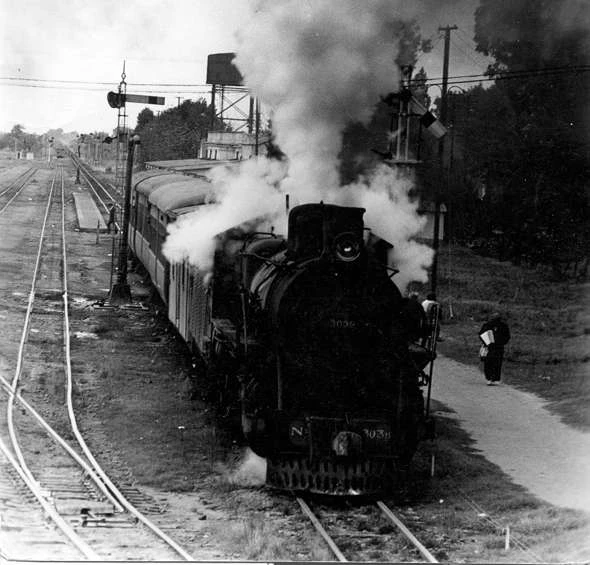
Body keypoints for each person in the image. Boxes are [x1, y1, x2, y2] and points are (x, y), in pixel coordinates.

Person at [479, 313, 510, 385]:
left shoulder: (487, 325)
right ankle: (495, 379)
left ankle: (489, 378)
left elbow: (481, 334)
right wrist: (502, 342)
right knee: (497, 363)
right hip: (498, 347)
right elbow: (507, 337)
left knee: (488, 362)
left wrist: (486, 342)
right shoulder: (504, 326)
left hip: (490, 346)